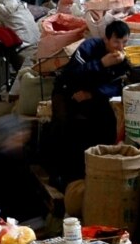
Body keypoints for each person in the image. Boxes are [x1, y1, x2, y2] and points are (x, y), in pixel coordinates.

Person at [50, 20, 130, 184]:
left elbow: (117, 86)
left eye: (124, 42)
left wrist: (92, 93)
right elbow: (71, 75)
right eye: (116, 41)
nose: (120, 47)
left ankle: (97, 169)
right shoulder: (89, 47)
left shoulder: (122, 60)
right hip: (66, 90)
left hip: (93, 95)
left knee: (106, 124)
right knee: (63, 126)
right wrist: (101, 64)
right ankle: (59, 174)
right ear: (106, 39)